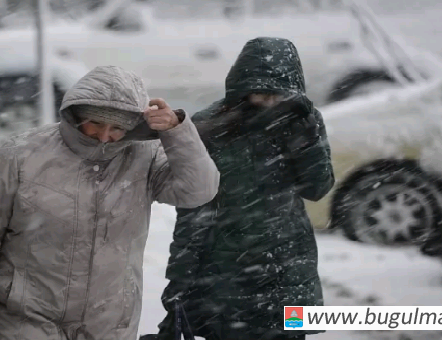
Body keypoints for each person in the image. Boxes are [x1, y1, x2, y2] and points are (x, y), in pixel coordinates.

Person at [0, 65, 220, 340]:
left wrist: (177, 133)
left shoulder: (143, 156)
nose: (104, 135)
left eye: (117, 128)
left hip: (109, 321)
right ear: (75, 114)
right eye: (95, 122)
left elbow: (199, 191)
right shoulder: (21, 154)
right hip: (24, 315)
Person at [143, 37, 335, 340]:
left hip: (285, 265)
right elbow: (194, 210)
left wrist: (306, 138)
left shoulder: (301, 119)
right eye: (260, 93)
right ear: (241, 88)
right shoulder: (210, 124)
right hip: (223, 270)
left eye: (278, 94)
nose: (270, 102)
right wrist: (178, 284)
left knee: (288, 332)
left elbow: (317, 188)